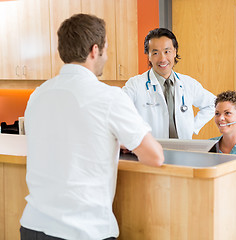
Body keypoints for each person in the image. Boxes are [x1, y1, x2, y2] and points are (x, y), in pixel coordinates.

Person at [20, 13, 164, 240]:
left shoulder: (38, 95)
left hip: (33, 226)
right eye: (106, 48)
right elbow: (154, 157)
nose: (106, 55)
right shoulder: (108, 96)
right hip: (82, 231)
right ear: (94, 50)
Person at [123, 28, 215, 139]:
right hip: (151, 150)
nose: (162, 59)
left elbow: (213, 104)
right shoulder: (135, 85)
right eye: (155, 53)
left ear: (175, 52)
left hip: (183, 151)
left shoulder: (188, 83)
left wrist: (193, 127)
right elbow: (118, 110)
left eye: (167, 51)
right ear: (148, 55)